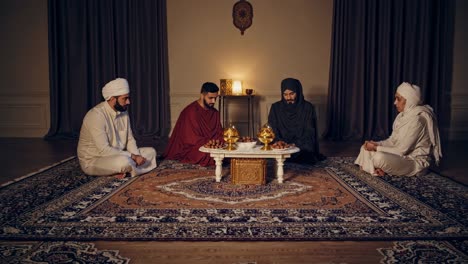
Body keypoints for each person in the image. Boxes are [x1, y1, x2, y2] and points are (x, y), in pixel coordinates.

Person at [355, 82, 442, 176]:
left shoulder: (418, 120)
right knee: (364, 148)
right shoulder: (401, 116)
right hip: (400, 156)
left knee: (378, 157)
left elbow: (402, 151)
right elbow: (392, 141)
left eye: (398, 99)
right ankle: (376, 169)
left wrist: (376, 148)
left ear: (409, 100)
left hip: (413, 162)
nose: (395, 102)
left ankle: (372, 168)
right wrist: (376, 144)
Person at [77, 78, 157, 178]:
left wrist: (137, 156)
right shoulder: (96, 115)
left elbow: (129, 139)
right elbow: (104, 150)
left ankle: (126, 171)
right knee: (124, 162)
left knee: (151, 152)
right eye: (125, 98)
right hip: (95, 160)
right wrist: (132, 156)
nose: (128, 102)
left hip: (118, 154)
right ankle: (127, 169)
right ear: (112, 99)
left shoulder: (123, 111)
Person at [163, 82, 224, 166]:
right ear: (202, 95)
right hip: (193, 147)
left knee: (229, 148)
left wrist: (219, 141)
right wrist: (210, 144)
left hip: (211, 144)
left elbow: (219, 132)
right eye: (210, 98)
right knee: (207, 155)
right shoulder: (190, 111)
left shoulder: (215, 112)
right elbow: (191, 139)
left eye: (215, 98)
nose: (213, 101)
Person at [268, 78, 325, 164]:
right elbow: (272, 129)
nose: (288, 98)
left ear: (298, 92)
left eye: (292, 94)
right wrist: (280, 143)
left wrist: (294, 144)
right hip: (280, 145)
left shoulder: (307, 107)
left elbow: (309, 132)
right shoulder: (275, 108)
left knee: (306, 156)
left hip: (300, 145)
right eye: (285, 94)